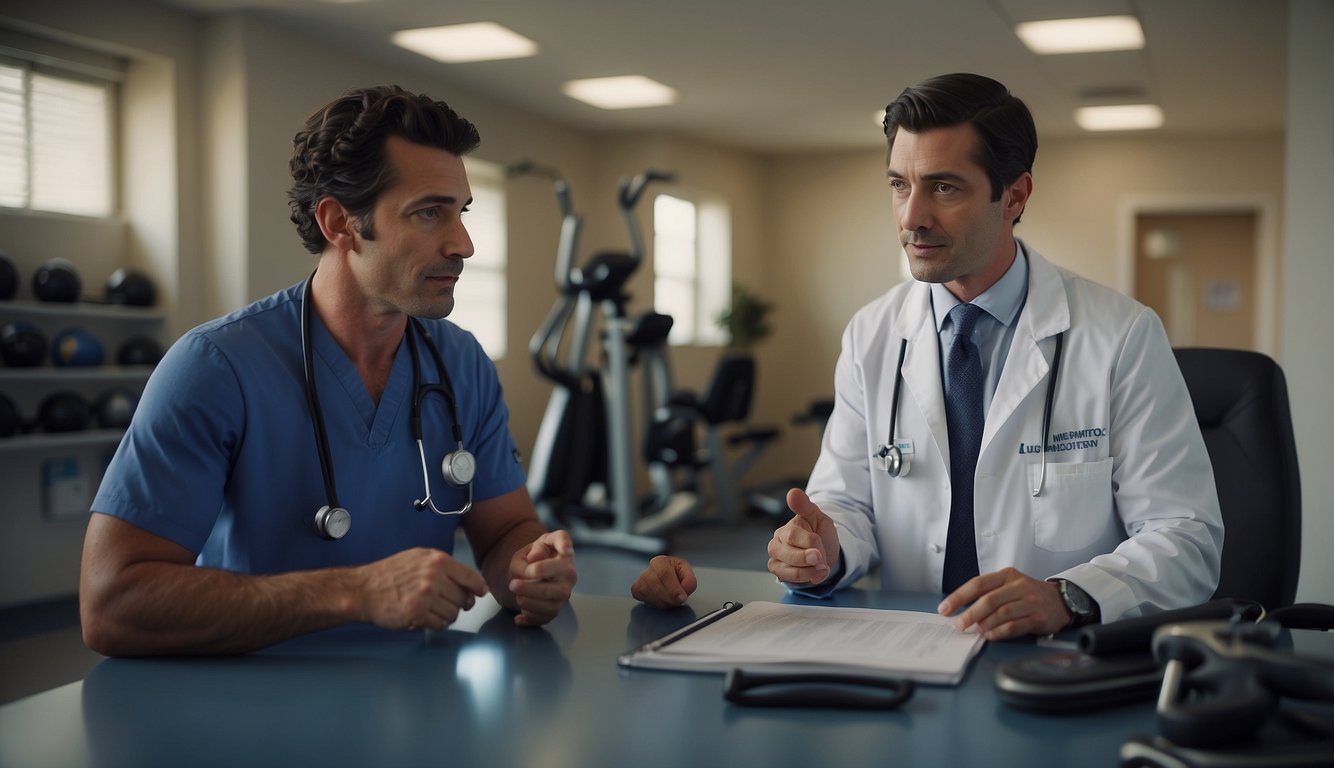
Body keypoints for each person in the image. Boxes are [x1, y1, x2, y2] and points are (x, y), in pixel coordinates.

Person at [634, 73, 1223, 641]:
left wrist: (1068, 595)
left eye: (943, 187)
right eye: (899, 185)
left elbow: (1185, 536)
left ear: (1014, 195)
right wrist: (822, 548)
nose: (912, 217)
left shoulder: (1120, 335)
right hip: (910, 653)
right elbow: (846, 501)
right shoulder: (873, 333)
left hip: (1058, 660)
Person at [79, 85, 576, 657]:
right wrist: (354, 592)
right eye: (429, 212)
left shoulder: (461, 365)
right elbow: (111, 603)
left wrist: (530, 569)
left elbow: (506, 531)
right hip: (251, 710)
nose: (463, 243)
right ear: (340, 222)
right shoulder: (215, 368)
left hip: (418, 706)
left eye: (460, 212)